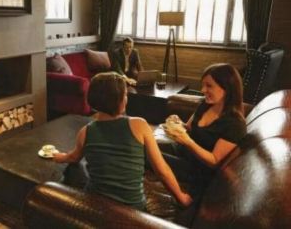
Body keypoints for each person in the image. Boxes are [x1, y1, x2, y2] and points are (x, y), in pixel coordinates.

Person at [53, 72, 192, 210]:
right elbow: (162, 171)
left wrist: (59, 157)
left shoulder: (85, 132)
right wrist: (181, 197)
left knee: (73, 169)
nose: (127, 98)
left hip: (96, 204)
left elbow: (73, 157)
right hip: (133, 208)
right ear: (119, 100)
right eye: (125, 94)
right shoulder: (141, 125)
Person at [159, 63, 247, 198]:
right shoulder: (206, 105)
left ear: (227, 88)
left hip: (196, 169)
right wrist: (177, 123)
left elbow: (214, 161)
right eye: (203, 85)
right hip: (183, 152)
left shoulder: (235, 123)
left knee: (146, 152)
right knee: (144, 143)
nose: (203, 90)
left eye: (209, 86)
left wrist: (188, 142)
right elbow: (188, 128)